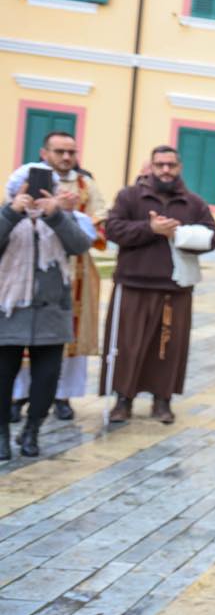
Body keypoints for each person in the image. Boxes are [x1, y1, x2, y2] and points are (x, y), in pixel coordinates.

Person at [101, 145, 215, 425]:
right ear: (151, 167)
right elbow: (113, 229)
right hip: (134, 285)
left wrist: (181, 233)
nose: (165, 170)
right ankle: (123, 400)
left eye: (171, 165)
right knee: (127, 345)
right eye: (160, 165)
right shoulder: (129, 197)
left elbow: (213, 237)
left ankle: (162, 400)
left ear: (179, 168)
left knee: (168, 347)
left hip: (174, 288)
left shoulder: (194, 203)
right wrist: (149, 229)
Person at [8, 133, 107, 424]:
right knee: (21, 335)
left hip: (76, 270)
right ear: (44, 152)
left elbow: (100, 222)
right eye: (59, 151)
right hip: (25, 267)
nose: (66, 157)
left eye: (71, 152)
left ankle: (63, 396)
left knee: (69, 338)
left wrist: (69, 213)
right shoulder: (25, 177)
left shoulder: (86, 185)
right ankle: (18, 395)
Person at [0, 170, 91, 457]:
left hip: (53, 311)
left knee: (47, 378)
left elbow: (80, 245)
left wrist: (57, 214)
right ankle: (1, 433)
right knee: (2, 378)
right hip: (8, 311)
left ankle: (32, 431)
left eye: (44, 188)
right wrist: (13, 212)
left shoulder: (61, 216)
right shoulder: (6, 213)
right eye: (26, 188)